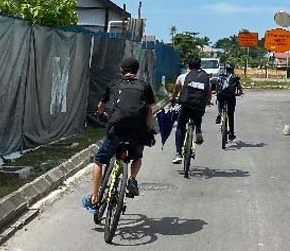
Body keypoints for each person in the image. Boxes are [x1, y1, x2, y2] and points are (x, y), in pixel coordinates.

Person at [82, 57, 155, 214]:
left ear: (121, 70)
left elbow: (101, 106)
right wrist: (149, 130)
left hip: (117, 130)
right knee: (137, 157)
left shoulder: (114, 84)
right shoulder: (144, 86)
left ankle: (94, 198)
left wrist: (100, 114)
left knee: (99, 161)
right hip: (137, 131)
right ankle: (132, 179)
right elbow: (149, 111)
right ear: (136, 71)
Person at [170, 57, 212, 164]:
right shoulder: (204, 76)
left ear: (188, 66)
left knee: (180, 126)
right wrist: (207, 101)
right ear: (199, 66)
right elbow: (208, 92)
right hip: (198, 106)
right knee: (198, 114)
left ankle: (178, 153)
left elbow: (176, 90)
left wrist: (173, 98)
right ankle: (198, 129)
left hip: (186, 105)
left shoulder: (183, 76)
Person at [215, 62, 243, 141]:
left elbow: (217, 86)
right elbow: (240, 89)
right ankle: (231, 133)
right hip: (231, 97)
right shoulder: (235, 77)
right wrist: (239, 93)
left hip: (221, 96)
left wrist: (216, 93)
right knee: (231, 115)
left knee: (219, 100)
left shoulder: (221, 76)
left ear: (225, 69)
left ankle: (219, 114)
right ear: (232, 69)